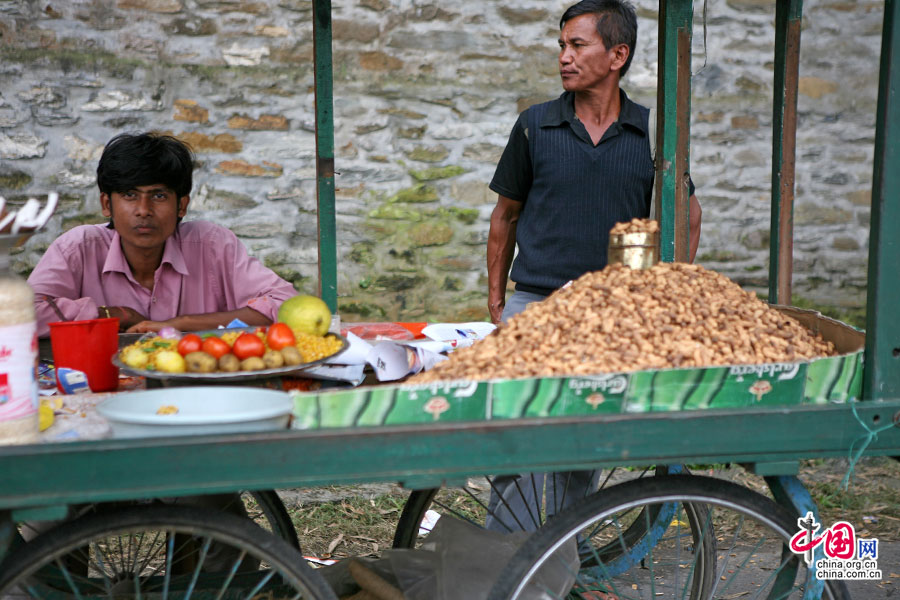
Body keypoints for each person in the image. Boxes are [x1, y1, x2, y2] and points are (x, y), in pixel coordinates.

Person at [482, 0, 702, 534]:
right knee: (515, 438)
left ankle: (555, 561)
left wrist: (661, 292)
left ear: (617, 55)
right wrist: (496, 299)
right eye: (562, 45)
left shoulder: (651, 134)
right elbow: (504, 216)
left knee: (581, 446)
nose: (564, 56)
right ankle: (505, 565)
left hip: (608, 317)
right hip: (533, 303)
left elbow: (686, 216)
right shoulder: (536, 125)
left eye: (577, 45)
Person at [28, 132, 297, 337]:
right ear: (107, 204)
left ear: (181, 205)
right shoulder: (78, 248)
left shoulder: (212, 245)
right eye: (130, 195)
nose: (143, 210)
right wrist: (115, 315)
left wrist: (181, 324)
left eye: (159, 195)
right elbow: (17, 316)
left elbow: (286, 304)